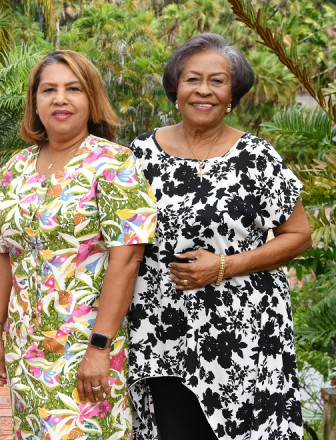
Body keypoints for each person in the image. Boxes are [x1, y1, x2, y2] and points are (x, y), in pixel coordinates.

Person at [127, 32, 312, 440]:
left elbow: (299, 235)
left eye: (218, 81)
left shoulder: (258, 157)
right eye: (193, 79)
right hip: (162, 332)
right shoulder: (139, 154)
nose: (204, 90)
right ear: (175, 88)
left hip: (247, 334)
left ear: (233, 94)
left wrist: (225, 267)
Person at [0, 50, 157, 439]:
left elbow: (126, 262)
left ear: (91, 98)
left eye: (72, 88)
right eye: (49, 90)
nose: (60, 99)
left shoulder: (114, 163)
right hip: (26, 350)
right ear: (35, 102)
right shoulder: (16, 168)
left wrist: (99, 348)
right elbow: (3, 254)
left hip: (86, 348)